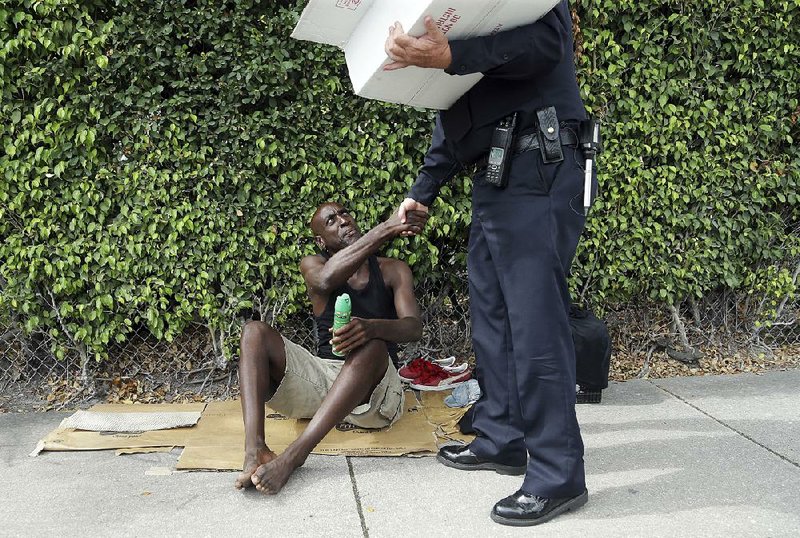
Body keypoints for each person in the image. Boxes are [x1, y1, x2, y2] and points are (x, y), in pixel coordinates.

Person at [385, 0, 591, 526]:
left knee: (535, 325)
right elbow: (456, 105)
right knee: (494, 315)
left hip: (541, 163)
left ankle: (557, 472)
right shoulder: (456, 16)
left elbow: (546, 44)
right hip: (497, 174)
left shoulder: (522, 8)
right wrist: (424, 188)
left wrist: (453, 53)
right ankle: (503, 436)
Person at [234, 201, 427, 494]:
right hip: (325, 380)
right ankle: (255, 452)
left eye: (345, 213)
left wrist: (373, 328)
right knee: (253, 333)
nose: (343, 220)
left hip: (375, 393)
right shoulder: (313, 265)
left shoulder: (393, 270)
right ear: (321, 241)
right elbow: (324, 281)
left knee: (372, 345)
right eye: (331, 220)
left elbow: (414, 328)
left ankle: (292, 458)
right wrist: (387, 227)